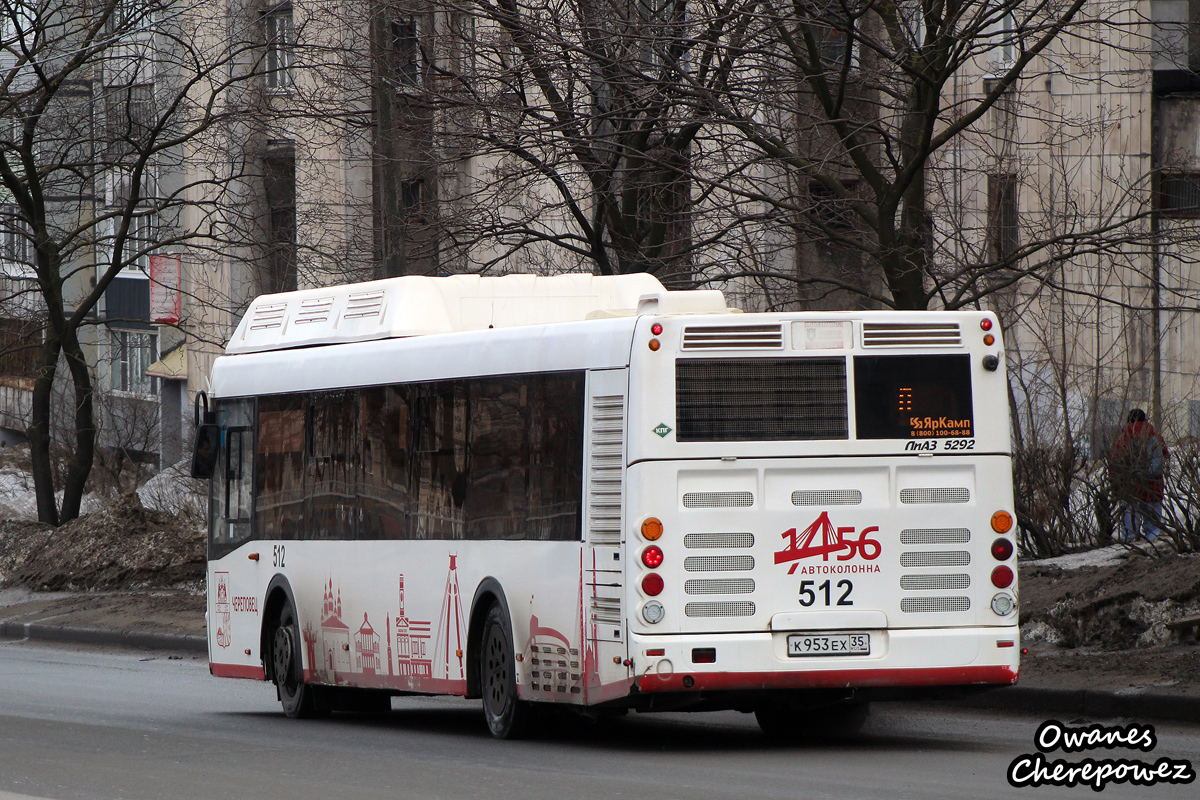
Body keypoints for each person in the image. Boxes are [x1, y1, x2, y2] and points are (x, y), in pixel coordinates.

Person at [1109, 408, 1168, 542]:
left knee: (1129, 524)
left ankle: (1130, 542)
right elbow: (1164, 456)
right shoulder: (1156, 437)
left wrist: (1114, 485)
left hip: (1130, 488)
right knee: (1153, 526)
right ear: (1145, 420)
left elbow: (1114, 463)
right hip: (1153, 486)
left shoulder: (1123, 439)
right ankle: (1152, 542)